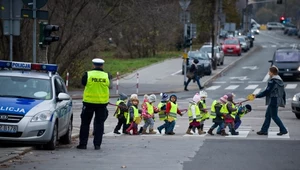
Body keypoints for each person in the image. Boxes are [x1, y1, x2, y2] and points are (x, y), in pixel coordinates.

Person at [77, 58, 112, 150]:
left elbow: (83, 83)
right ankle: (97, 145)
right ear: (102, 65)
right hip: (102, 103)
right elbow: (109, 86)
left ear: (93, 65)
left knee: (85, 124)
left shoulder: (87, 74)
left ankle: (83, 144)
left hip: (88, 103)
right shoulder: (107, 75)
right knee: (99, 124)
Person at [254, 66, 288, 136]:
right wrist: (283, 100)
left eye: (269, 72)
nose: (268, 73)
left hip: (273, 100)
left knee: (274, 116)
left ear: (272, 72)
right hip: (277, 99)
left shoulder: (272, 81)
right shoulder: (279, 80)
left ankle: (283, 129)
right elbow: (283, 92)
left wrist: (257, 96)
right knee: (268, 115)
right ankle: (264, 130)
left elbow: (267, 91)